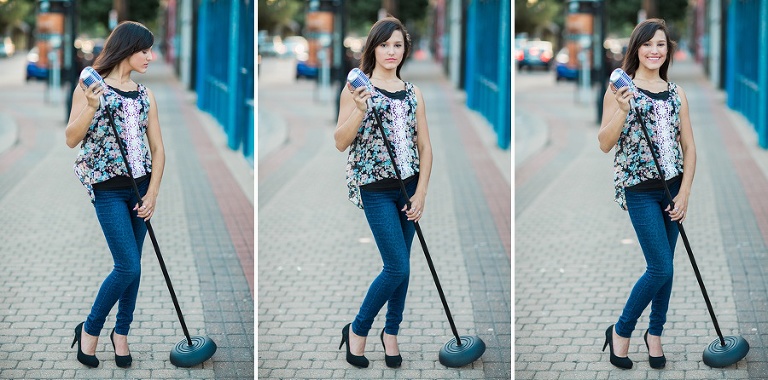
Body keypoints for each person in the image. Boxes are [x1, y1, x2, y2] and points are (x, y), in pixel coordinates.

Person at [334, 17, 433, 369]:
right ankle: (357, 330)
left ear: (405, 50)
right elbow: (340, 142)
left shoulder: (413, 92)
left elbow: (425, 147)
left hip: (408, 189)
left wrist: (421, 194)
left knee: (403, 268)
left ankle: (391, 334)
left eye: (398, 45)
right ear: (372, 48)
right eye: (384, 45)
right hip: (375, 190)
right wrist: (360, 111)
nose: (391, 52)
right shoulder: (357, 90)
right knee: (396, 266)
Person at [65, 21, 166, 368]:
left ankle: (121, 334)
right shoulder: (90, 87)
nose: (151, 57)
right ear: (127, 50)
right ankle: (90, 330)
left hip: (140, 191)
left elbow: (159, 149)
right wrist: (91, 106)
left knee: (134, 269)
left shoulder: (145, 95)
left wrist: (152, 194)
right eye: (145, 50)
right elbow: (70, 138)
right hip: (107, 191)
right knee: (127, 266)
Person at [598, 18, 697, 370]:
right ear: (636, 48)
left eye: (661, 45)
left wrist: (684, 194)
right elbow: (604, 144)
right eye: (648, 44)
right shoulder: (620, 91)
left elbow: (690, 147)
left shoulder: (676, 93)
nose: (655, 51)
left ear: (667, 51)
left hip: (673, 190)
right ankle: (621, 331)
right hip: (639, 191)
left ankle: (654, 335)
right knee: (660, 267)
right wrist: (623, 111)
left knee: (666, 269)